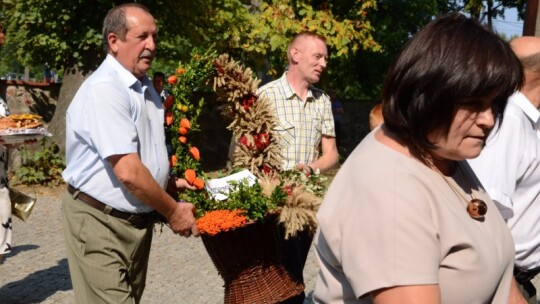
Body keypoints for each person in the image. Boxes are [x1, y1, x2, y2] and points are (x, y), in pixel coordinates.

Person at [313, 13, 525, 303]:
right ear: (428, 93)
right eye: (474, 104)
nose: (488, 119)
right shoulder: (390, 189)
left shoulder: (441, 152)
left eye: (495, 104)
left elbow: (502, 278)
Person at [61, 3, 198, 303]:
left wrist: (168, 185)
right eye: (142, 37)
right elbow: (129, 171)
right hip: (99, 222)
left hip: (135, 223)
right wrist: (173, 211)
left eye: (155, 37)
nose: (152, 45)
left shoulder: (144, 86)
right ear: (114, 41)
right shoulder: (106, 89)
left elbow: (145, 154)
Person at [257, 31, 339, 303]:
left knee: (293, 276)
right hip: (271, 206)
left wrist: (312, 168)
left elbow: (332, 155)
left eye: (325, 58)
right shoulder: (264, 96)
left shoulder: (322, 101)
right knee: (276, 281)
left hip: (304, 208)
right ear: (295, 55)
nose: (323, 63)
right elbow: (245, 154)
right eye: (317, 56)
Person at [468, 36, 540, 304]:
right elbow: (481, 214)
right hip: (501, 283)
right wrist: (508, 292)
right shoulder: (509, 121)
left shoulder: (528, 120)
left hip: (514, 280)